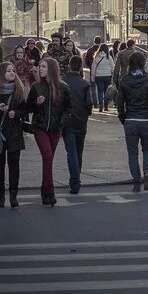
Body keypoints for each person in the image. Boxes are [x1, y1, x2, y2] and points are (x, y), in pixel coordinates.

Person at [0, 62, 28, 208]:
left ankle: (13, 196)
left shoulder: (19, 90)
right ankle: (1, 197)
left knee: (14, 165)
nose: (12, 73)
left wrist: (16, 113)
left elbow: (25, 111)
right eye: (9, 71)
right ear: (1, 73)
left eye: (13, 70)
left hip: (14, 132)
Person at [117, 51, 148, 193]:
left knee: (132, 152)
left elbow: (120, 102)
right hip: (146, 119)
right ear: (143, 64)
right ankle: (147, 172)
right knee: (147, 148)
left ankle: (136, 181)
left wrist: (122, 116)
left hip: (130, 119)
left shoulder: (124, 81)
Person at [28, 56, 67, 206]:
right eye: (40, 66)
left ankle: (45, 190)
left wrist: (62, 123)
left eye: (43, 67)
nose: (40, 69)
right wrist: (36, 103)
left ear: (51, 69)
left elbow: (68, 108)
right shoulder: (36, 86)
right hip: (40, 127)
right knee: (48, 157)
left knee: (48, 160)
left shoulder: (63, 87)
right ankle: (50, 191)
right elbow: (28, 107)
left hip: (56, 129)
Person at [60, 55, 92, 195]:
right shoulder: (84, 84)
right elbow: (89, 103)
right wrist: (87, 113)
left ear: (69, 65)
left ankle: (74, 181)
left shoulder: (62, 82)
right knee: (79, 151)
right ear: (80, 67)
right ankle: (76, 178)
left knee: (71, 152)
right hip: (81, 120)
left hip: (68, 121)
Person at [90, 43, 116, 113]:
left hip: (98, 76)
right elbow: (113, 67)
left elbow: (93, 69)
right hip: (107, 76)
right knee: (106, 91)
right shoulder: (109, 57)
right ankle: (106, 105)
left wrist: (92, 78)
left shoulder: (96, 57)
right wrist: (112, 74)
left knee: (100, 91)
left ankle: (101, 104)